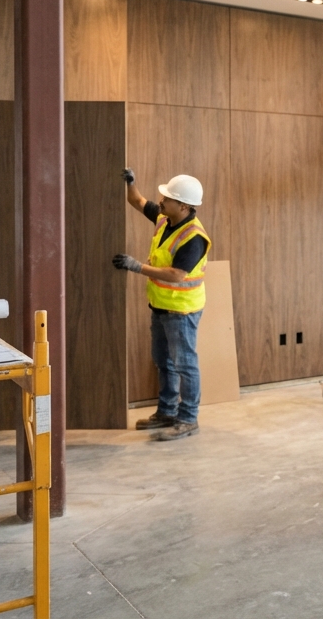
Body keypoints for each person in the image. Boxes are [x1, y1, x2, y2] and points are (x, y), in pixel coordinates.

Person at [113, 169, 211, 442]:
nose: (161, 200)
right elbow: (138, 201)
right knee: (163, 361)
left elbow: (177, 275)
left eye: (167, 197)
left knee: (185, 364)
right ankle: (167, 412)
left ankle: (188, 419)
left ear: (183, 205)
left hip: (182, 310)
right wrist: (131, 183)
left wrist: (136, 267)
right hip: (160, 305)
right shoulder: (165, 219)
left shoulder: (194, 238)